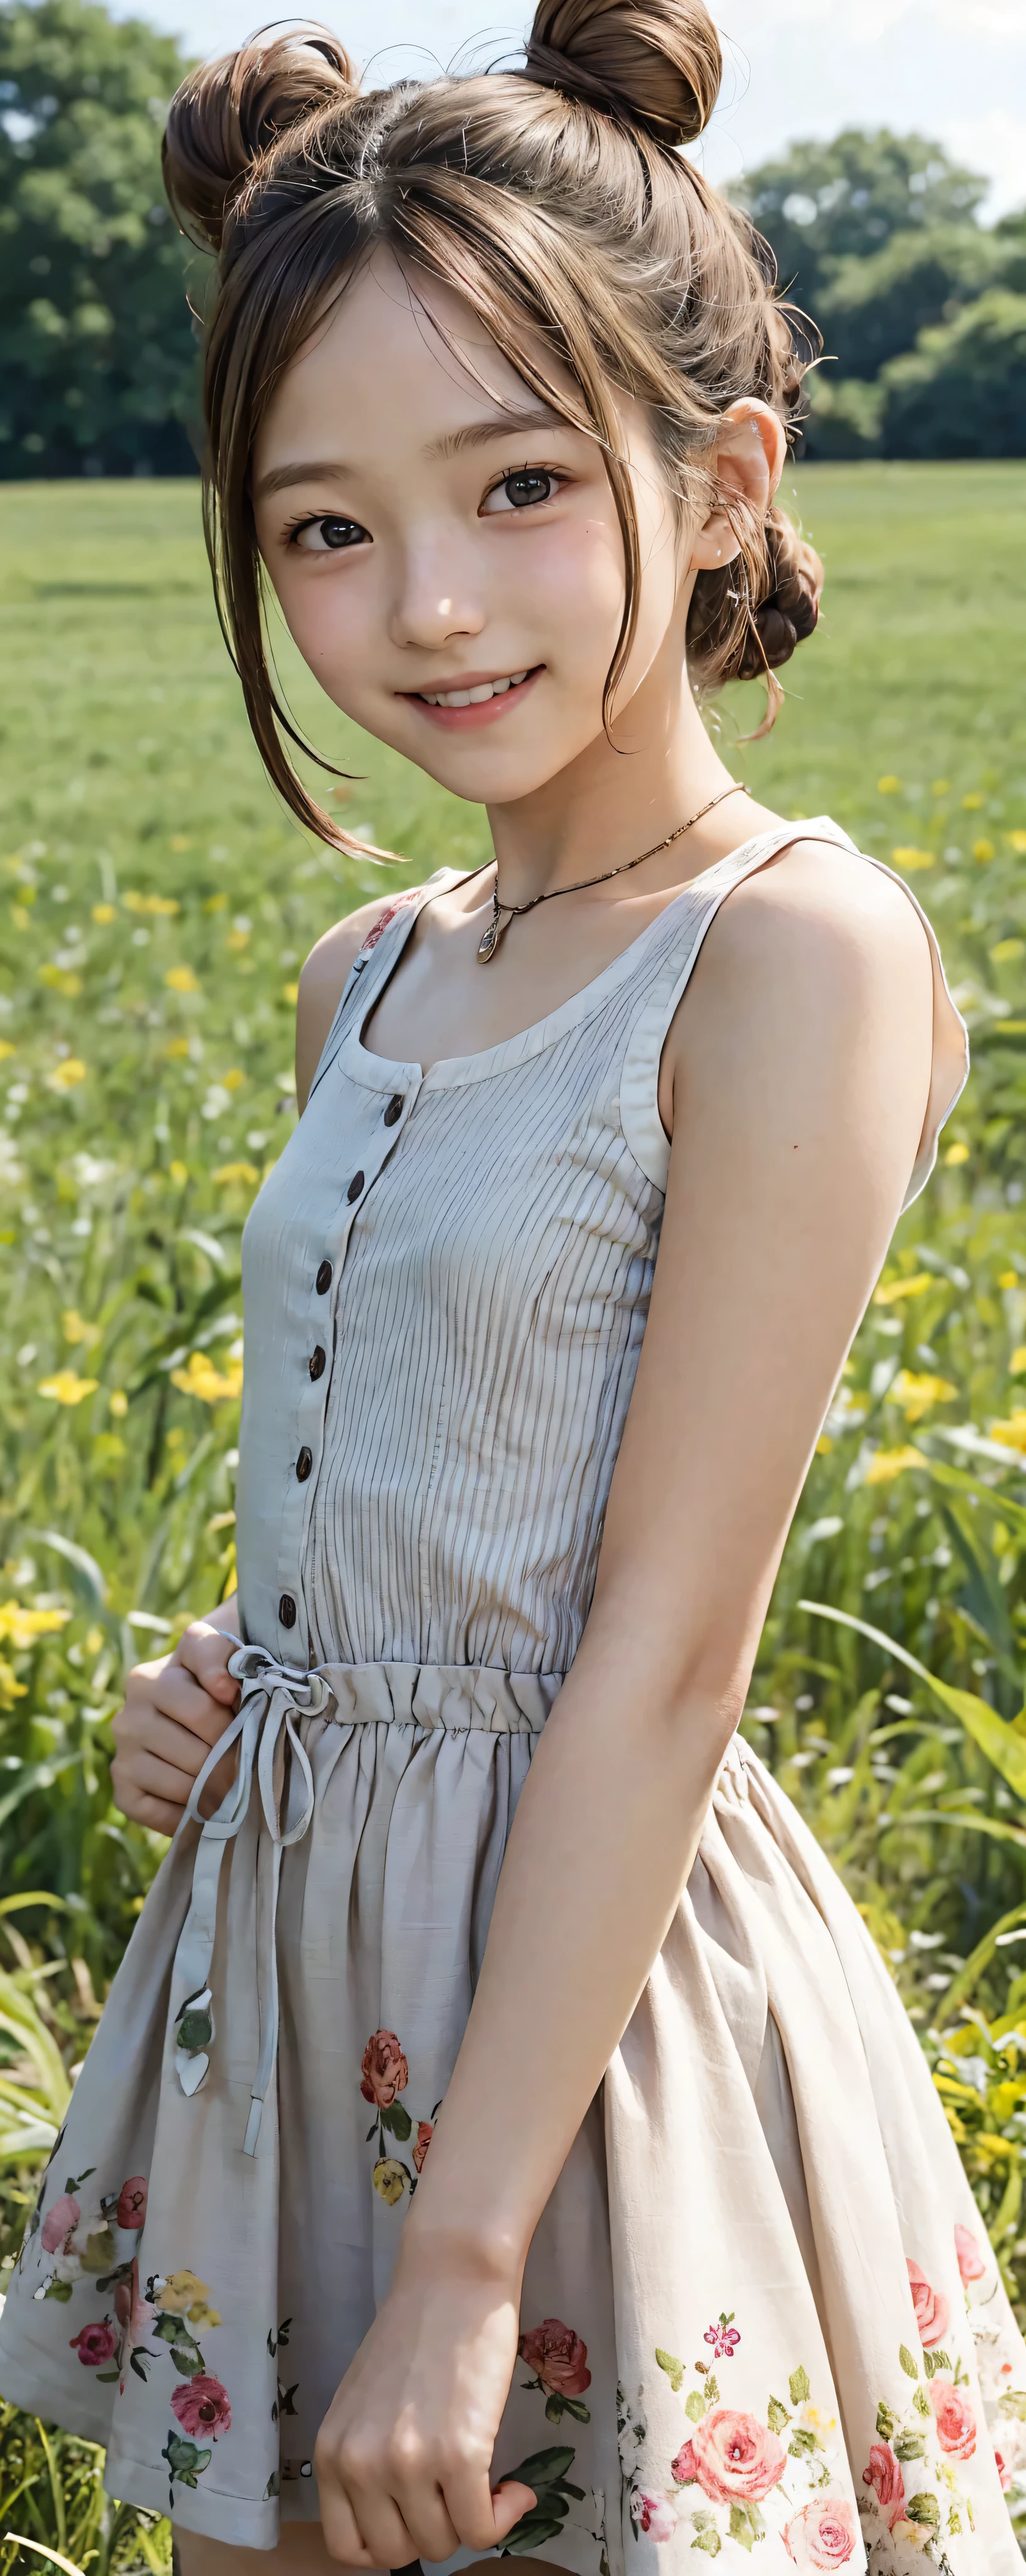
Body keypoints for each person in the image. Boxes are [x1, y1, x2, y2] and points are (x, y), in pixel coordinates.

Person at [2, 3, 1022, 2569]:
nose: (423, 605)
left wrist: (467, 2263)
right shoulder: (371, 965)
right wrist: (244, 1678)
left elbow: (669, 1649)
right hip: (299, 1962)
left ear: (721, 482)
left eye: (523, 485)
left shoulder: (789, 954)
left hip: (580, 2036)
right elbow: (433, 1483)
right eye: (324, 528)